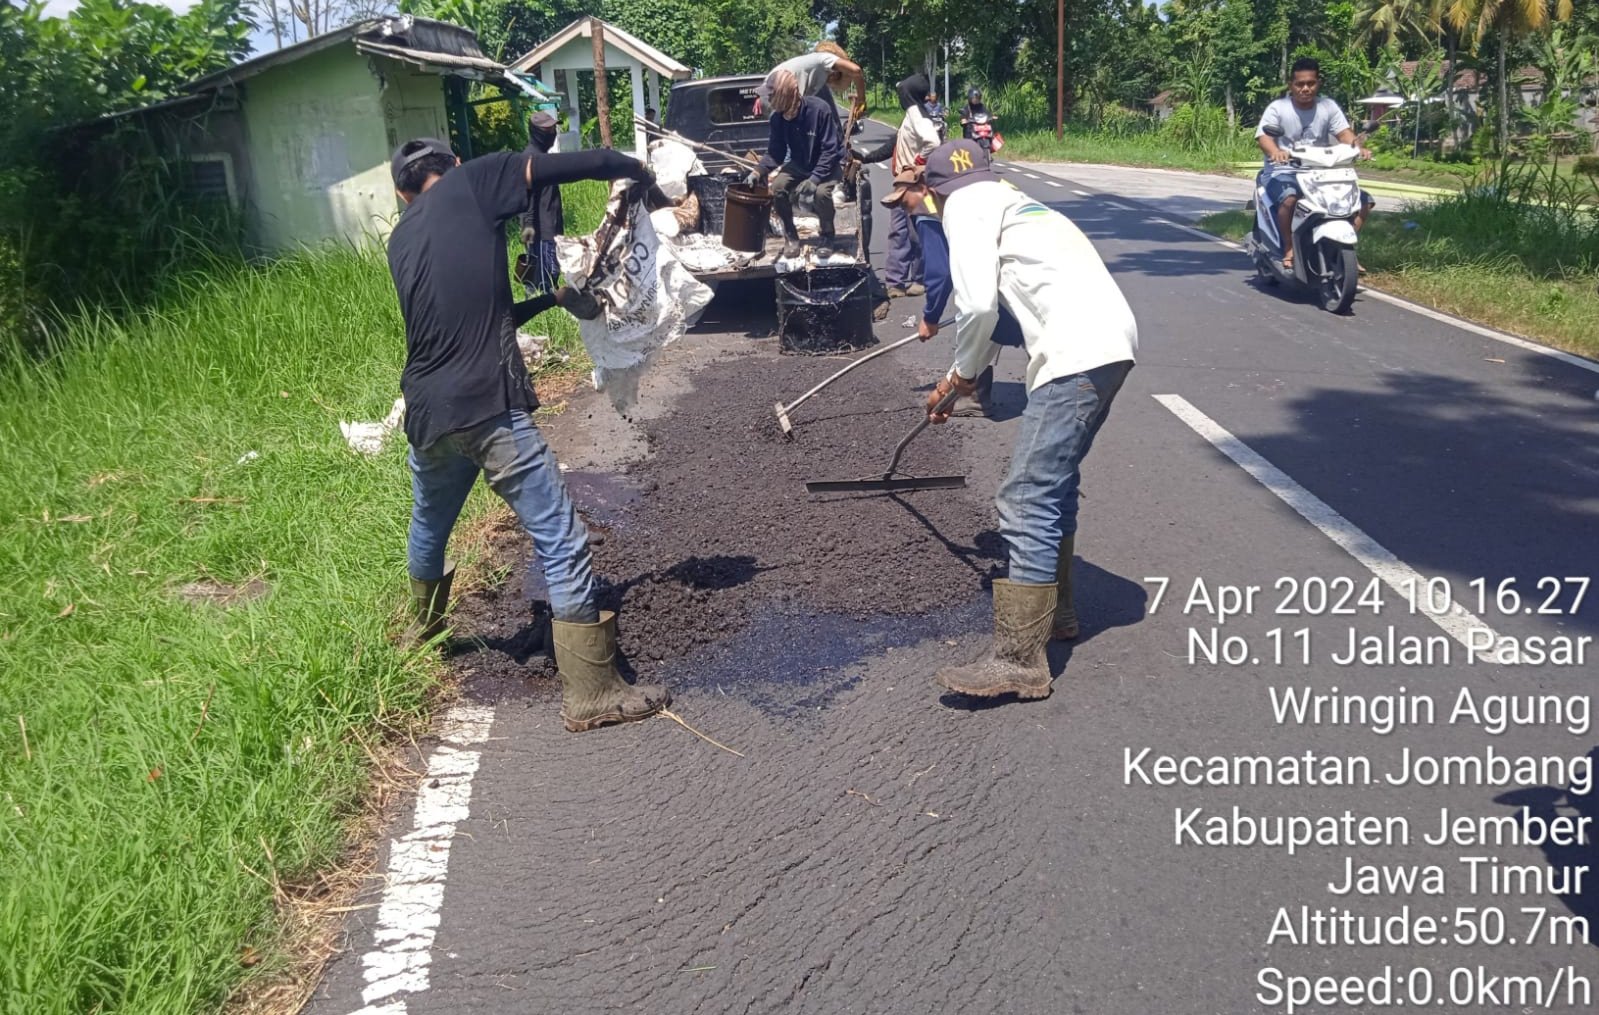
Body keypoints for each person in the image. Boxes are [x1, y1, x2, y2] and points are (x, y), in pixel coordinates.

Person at [386, 135, 670, 733]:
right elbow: (583, 164)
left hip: (427, 412)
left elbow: (482, 317)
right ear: (454, 165)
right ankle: (591, 694)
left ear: (401, 194)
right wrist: (636, 171)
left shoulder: (402, 237)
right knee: (560, 538)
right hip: (486, 407)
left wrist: (551, 300)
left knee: (429, 525)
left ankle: (424, 636)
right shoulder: (473, 181)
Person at [919, 140, 1138, 700]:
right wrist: (955, 381)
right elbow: (996, 321)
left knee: (1025, 497)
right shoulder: (1015, 203)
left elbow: (976, 307)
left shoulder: (963, 206)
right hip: (1111, 345)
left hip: (1075, 353)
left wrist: (963, 375)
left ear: (937, 194)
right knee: (1054, 485)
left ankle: (1019, 660)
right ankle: (1058, 613)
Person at [878, 164, 1022, 416]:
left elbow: (940, 272)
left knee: (979, 315)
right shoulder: (983, 187)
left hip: (1012, 267)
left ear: (922, 188)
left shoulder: (928, 209)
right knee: (997, 321)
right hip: (1024, 257)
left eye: (904, 201)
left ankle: (972, 392)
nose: (905, 210)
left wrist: (931, 317)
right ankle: (975, 392)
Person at [1256, 57, 1374, 272]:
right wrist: (1276, 152)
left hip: (1322, 172)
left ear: (1318, 83)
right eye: (1300, 84)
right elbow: (1264, 137)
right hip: (1284, 170)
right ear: (1291, 85)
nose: (1305, 88)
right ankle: (1289, 247)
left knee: (1363, 201)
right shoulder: (1278, 108)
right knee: (1290, 198)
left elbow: (1344, 134)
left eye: (1310, 83)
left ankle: (1343, 247)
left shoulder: (1328, 106)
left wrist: (1358, 147)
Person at [746, 70, 844, 260]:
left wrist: (815, 178)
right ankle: (791, 236)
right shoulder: (777, 119)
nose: (769, 99)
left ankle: (827, 235)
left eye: (772, 95)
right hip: (799, 164)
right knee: (777, 187)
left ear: (783, 94)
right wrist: (757, 172)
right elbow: (775, 153)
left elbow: (830, 150)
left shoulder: (819, 109)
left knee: (821, 194)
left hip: (827, 165)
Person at [886, 73, 940, 298]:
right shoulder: (911, 115)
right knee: (899, 231)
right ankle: (895, 282)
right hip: (902, 182)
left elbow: (933, 142)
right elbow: (894, 144)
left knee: (915, 232)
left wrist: (918, 161)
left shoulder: (918, 115)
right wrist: (865, 156)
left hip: (915, 183)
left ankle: (919, 279)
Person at [755, 40, 867, 125]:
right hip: (779, 91)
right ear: (836, 72)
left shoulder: (813, 69)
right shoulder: (825, 58)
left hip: (769, 92)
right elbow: (856, 71)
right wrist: (861, 101)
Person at [517, 111, 562, 293]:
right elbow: (526, 197)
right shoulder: (530, 159)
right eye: (548, 130)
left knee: (549, 274)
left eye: (553, 129)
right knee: (547, 277)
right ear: (536, 132)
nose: (553, 133)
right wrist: (528, 226)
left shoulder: (542, 156)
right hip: (542, 232)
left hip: (551, 227)